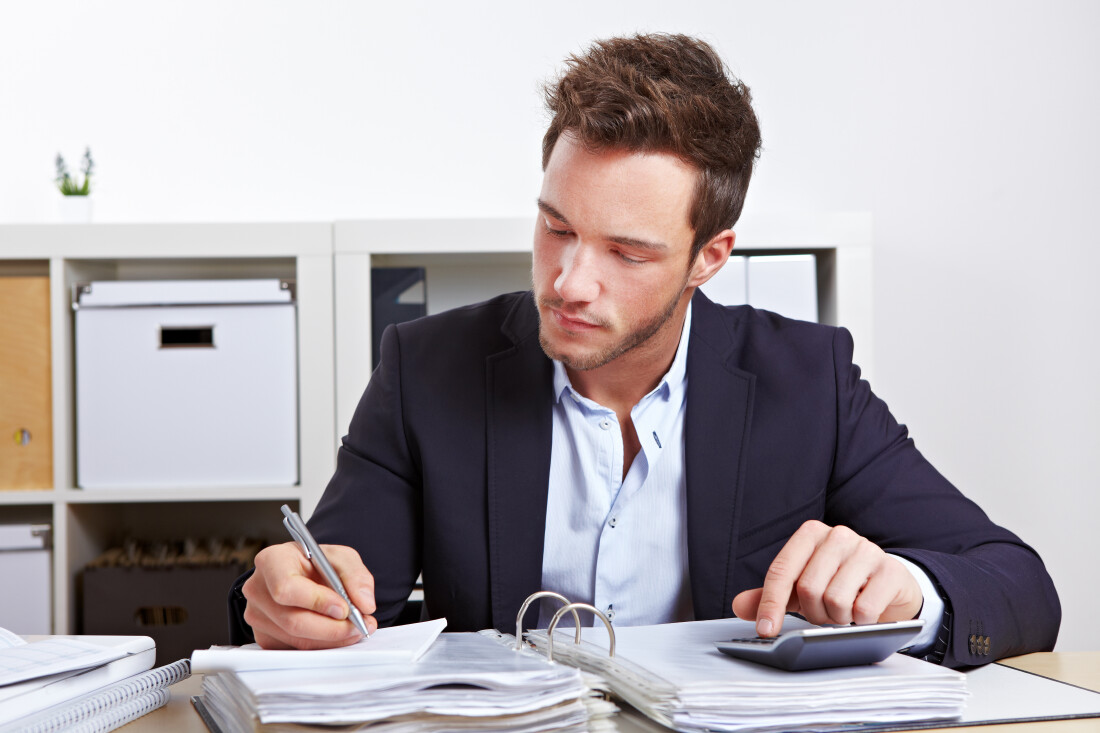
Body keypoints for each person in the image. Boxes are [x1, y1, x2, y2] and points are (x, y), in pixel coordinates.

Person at [230, 33, 1059, 668]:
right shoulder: (426, 369)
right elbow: (315, 600)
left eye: (626, 252)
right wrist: (286, 602)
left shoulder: (811, 382)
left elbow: (1020, 584)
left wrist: (909, 592)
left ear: (709, 257)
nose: (569, 281)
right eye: (556, 227)